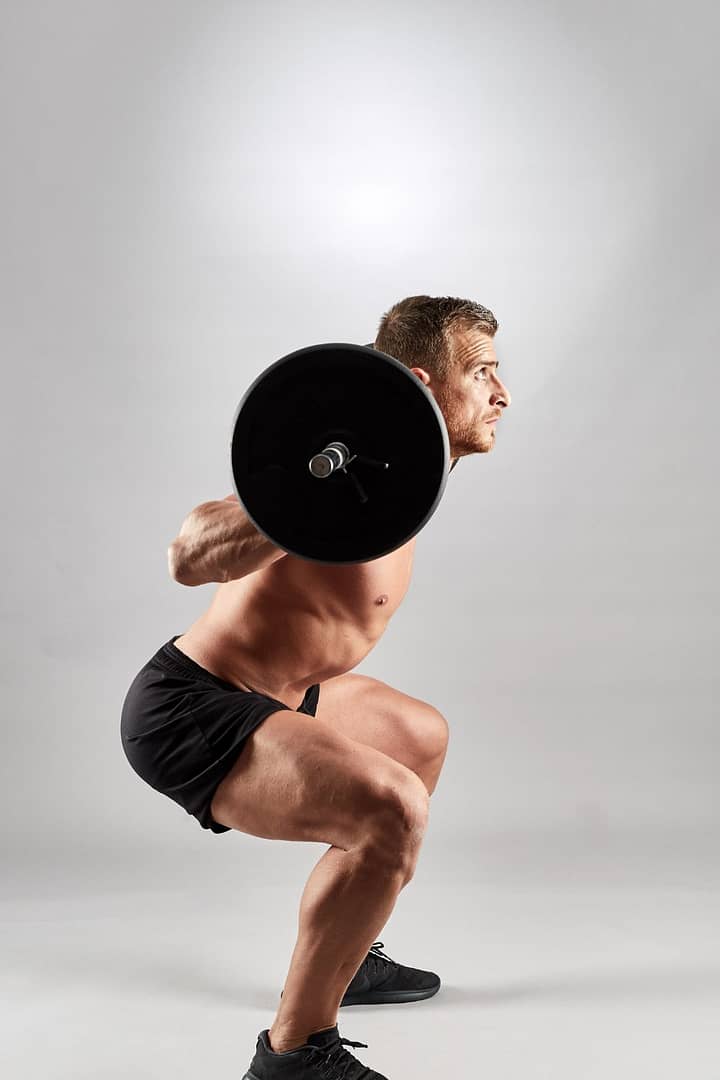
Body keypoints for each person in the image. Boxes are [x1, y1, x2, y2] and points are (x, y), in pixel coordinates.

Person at [121, 294, 512, 1079]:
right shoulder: (324, 468)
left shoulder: (399, 480)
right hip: (192, 709)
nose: (502, 395)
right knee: (392, 809)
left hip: (282, 694)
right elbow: (187, 555)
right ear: (418, 381)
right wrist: (295, 499)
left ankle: (349, 951)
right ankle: (295, 1055)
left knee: (420, 736)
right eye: (481, 373)